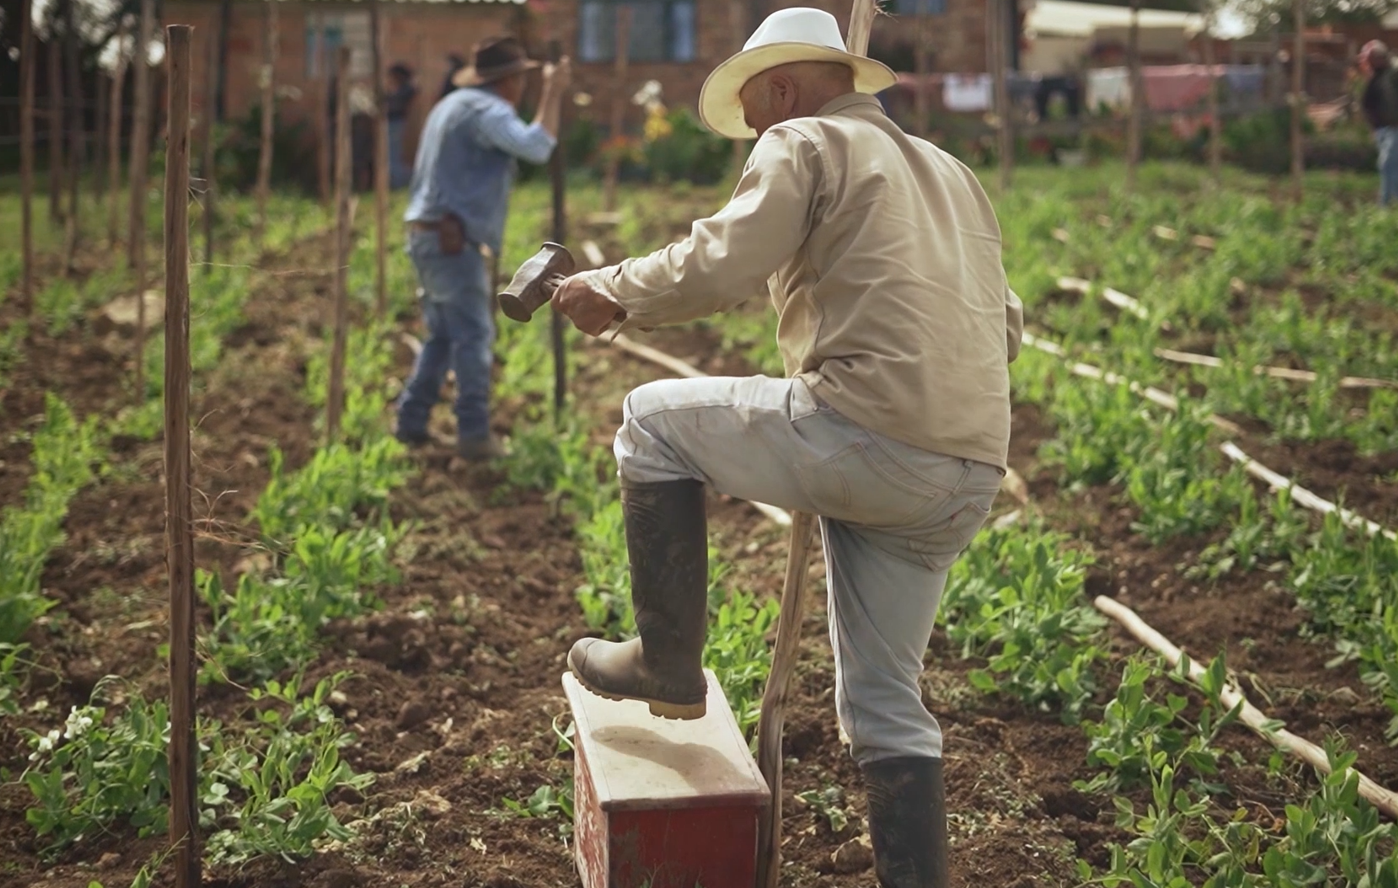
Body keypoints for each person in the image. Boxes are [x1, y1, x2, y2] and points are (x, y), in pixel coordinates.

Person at [550, 8, 1022, 888]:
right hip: (965, 468)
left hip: (867, 431)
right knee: (888, 707)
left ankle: (665, 664)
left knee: (651, 419)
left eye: (755, 113)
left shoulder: (801, 138)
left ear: (777, 86)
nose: (754, 133)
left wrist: (611, 291)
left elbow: (726, 260)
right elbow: (1008, 326)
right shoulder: (953, 174)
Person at [396, 36, 570, 459]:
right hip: (451, 241)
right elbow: (536, 147)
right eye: (523, 79)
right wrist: (554, 91)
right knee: (474, 335)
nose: (524, 87)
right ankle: (474, 436)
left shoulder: (452, 104)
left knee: (441, 336)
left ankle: (411, 423)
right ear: (509, 81)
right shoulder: (486, 109)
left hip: (427, 235)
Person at [1360, 40, 1398, 206]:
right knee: (1390, 167)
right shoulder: (1377, 77)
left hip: (1393, 128)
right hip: (1382, 129)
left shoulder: (1392, 75)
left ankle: (1386, 204)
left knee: (1387, 165)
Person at [386, 63, 418, 189]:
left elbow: (396, 105)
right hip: (395, 123)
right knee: (392, 154)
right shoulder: (402, 89)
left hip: (396, 123)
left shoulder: (407, 89)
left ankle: (401, 181)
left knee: (393, 154)